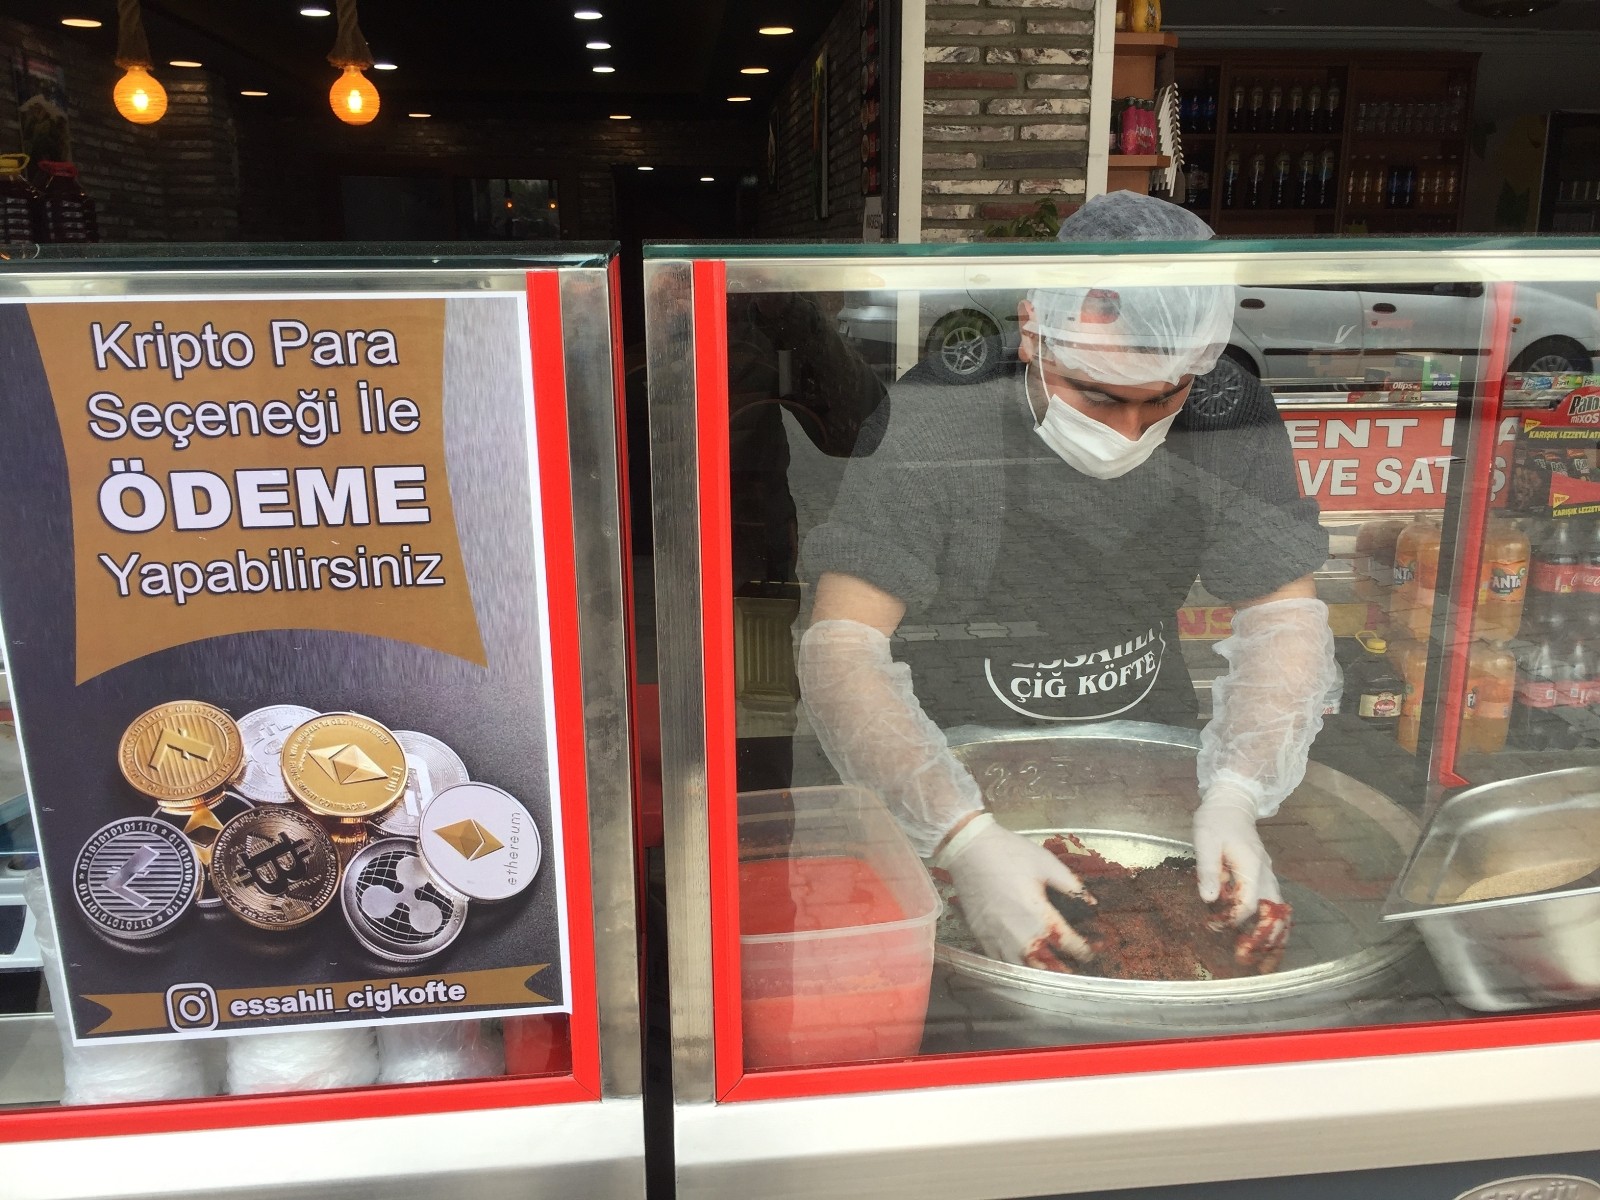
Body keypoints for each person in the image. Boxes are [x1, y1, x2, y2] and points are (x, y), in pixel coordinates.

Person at [795, 192, 1336, 974]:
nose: (1129, 430)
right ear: (1032, 330)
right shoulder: (939, 416)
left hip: (1148, 761)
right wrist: (961, 837)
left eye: (1163, 398)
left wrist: (1237, 795)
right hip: (945, 758)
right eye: (1098, 394)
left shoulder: (1227, 411)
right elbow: (841, 647)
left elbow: (1284, 620)